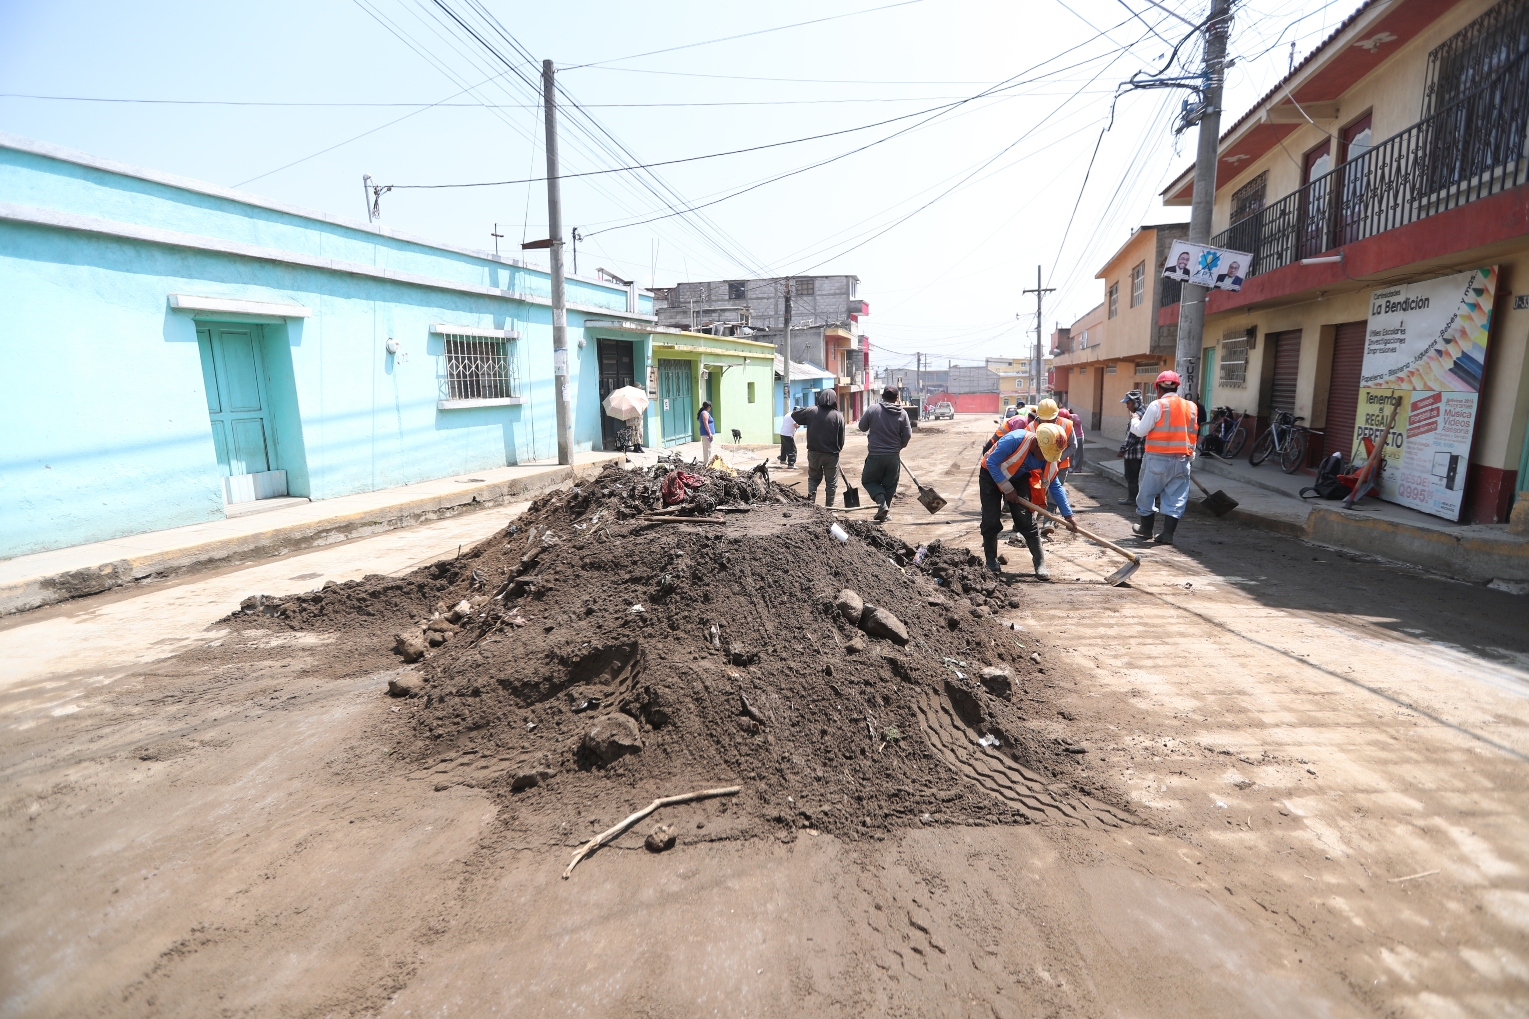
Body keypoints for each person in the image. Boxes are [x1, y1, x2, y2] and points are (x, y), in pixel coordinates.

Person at [981, 422, 1077, 579]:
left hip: (1018, 478)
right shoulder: (1014, 440)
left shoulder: (1049, 455)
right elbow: (991, 463)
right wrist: (1007, 489)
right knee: (990, 520)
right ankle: (991, 561)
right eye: (1045, 455)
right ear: (1036, 445)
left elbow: (1055, 485)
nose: (1046, 460)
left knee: (1026, 521)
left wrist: (1068, 515)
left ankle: (1040, 563)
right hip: (990, 475)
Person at [1131, 370, 1199, 545]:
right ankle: (1167, 534)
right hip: (1183, 459)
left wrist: (1134, 419)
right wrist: (1190, 458)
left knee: (1146, 495)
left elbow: (1140, 431)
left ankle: (1146, 529)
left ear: (1157, 388)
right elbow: (1192, 434)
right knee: (1176, 498)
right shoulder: (1191, 407)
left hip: (1157, 459)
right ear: (1177, 387)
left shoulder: (1157, 405)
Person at [858, 386, 913, 522]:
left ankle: (881, 503)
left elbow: (862, 427)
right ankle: (884, 511)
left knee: (869, 481)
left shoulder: (873, 409)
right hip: (893, 457)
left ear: (882, 396)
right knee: (890, 486)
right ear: (896, 398)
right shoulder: (902, 413)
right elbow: (908, 434)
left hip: (875, 455)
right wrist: (899, 447)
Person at [791, 388, 845, 505]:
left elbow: (795, 415)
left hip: (814, 453)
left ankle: (811, 504)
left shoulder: (811, 411)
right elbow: (841, 439)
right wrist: (837, 451)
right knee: (831, 482)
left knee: (813, 479)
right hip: (831, 455)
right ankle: (829, 507)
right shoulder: (838, 416)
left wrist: (811, 407)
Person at [1116, 390, 1146, 506]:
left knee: (1131, 476)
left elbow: (1133, 435)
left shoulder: (1137, 415)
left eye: (1128, 404)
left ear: (1135, 402)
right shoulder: (1143, 412)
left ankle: (1132, 499)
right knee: (1138, 477)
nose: (1127, 407)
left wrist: (1123, 449)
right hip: (1140, 453)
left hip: (1135, 453)